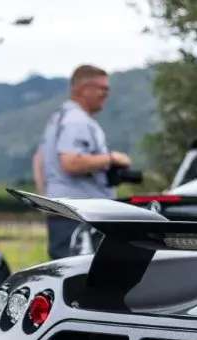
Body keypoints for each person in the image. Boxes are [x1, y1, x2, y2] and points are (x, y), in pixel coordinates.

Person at [32, 64, 130, 259]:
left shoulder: (58, 119)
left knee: (65, 269)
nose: (106, 94)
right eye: (102, 88)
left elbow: (38, 160)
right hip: (79, 215)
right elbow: (71, 163)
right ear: (84, 89)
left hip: (62, 211)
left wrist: (48, 198)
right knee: (83, 273)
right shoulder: (77, 121)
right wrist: (112, 159)